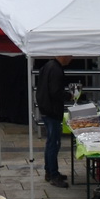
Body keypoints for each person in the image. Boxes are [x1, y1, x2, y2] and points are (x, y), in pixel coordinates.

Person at [36, 55, 72, 187]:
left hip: (46, 109)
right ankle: (53, 174)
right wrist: (68, 95)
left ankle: (50, 171)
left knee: (51, 142)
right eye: (70, 55)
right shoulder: (56, 69)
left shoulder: (48, 66)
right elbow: (55, 92)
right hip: (52, 110)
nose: (72, 58)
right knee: (54, 143)